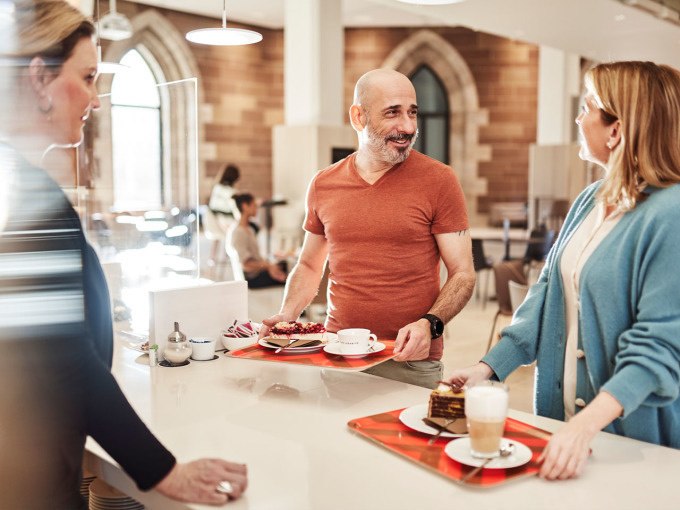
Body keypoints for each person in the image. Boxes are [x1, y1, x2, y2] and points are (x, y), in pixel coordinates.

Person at [0, 2, 246, 507]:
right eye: (88, 76)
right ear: (40, 77)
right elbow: (63, 358)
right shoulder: (23, 195)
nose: (95, 97)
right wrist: (163, 470)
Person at [446, 61, 680, 480]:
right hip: (560, 423)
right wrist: (488, 367)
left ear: (616, 130)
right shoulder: (590, 199)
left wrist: (585, 426)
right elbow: (547, 292)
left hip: (632, 439)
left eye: (587, 106)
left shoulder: (670, 213)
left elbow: (660, 347)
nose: (578, 117)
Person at [260, 69, 476, 388]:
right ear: (358, 117)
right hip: (339, 353)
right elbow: (308, 264)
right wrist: (287, 313)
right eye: (392, 113)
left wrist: (430, 324)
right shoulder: (324, 184)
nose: (407, 126)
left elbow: (463, 273)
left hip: (410, 361)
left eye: (412, 112)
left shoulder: (439, 180)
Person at [229, 192, 287, 288]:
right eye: (254, 205)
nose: (257, 208)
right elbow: (246, 265)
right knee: (291, 274)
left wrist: (270, 266)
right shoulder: (238, 232)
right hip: (252, 278)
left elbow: (256, 257)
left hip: (260, 270)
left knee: (285, 264)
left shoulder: (249, 229)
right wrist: (268, 266)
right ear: (245, 206)